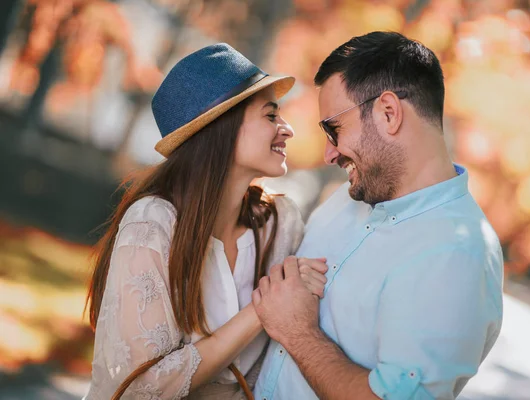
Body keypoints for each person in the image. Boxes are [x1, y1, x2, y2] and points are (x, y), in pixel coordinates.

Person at [252, 31, 504, 400]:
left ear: (389, 112)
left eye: (333, 130)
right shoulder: (347, 197)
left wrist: (297, 332)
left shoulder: (458, 256)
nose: (329, 154)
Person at [84, 43, 328, 400]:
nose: (287, 129)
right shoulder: (153, 223)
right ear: (222, 128)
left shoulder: (280, 223)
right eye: (270, 115)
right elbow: (143, 388)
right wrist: (264, 308)